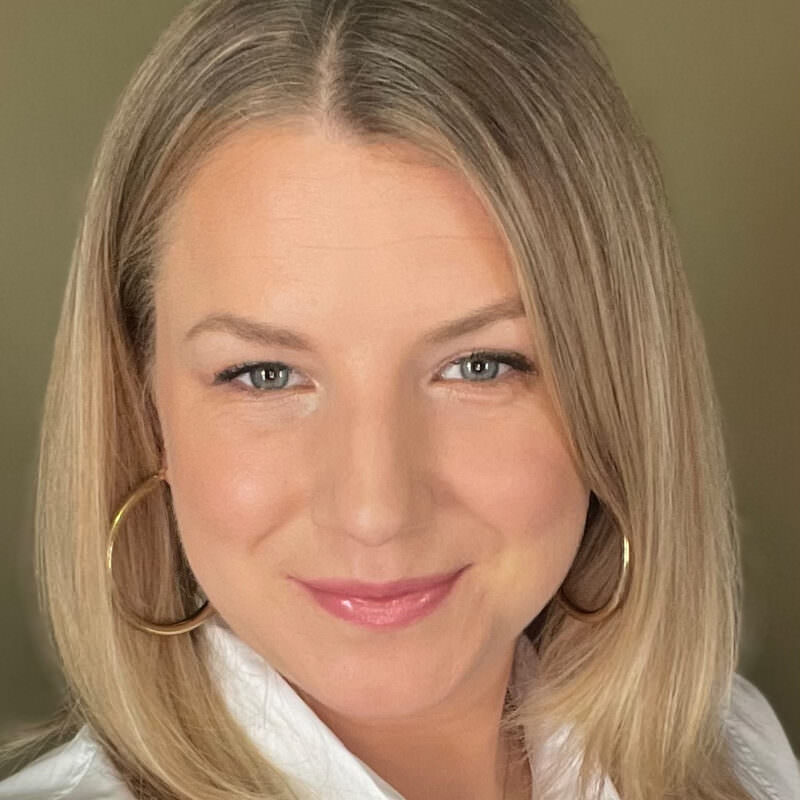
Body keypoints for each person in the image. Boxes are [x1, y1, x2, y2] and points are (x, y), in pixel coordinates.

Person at [1, 0, 798, 798]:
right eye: (265, 374)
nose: (374, 511)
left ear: (616, 388)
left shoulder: (736, 754)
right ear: (142, 407)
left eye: (480, 367)